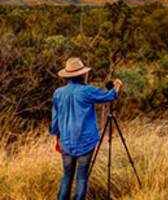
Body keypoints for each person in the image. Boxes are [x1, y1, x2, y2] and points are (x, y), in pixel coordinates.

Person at [50, 57, 123, 200]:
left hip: (65, 141)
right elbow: (109, 96)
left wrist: (56, 137)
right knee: (82, 176)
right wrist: (117, 87)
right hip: (86, 141)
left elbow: (55, 119)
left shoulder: (58, 93)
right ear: (82, 74)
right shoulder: (87, 91)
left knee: (67, 174)